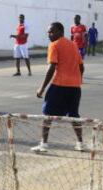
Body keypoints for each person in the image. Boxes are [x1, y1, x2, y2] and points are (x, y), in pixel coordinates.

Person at [32, 22, 84, 152]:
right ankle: (80, 143)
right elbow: (81, 67)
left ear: (61, 32)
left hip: (59, 85)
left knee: (47, 114)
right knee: (74, 115)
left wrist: (42, 88)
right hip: (75, 87)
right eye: (48, 32)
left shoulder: (54, 45)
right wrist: (77, 79)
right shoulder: (73, 45)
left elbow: (52, 67)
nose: (50, 34)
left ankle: (43, 144)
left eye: (52, 31)